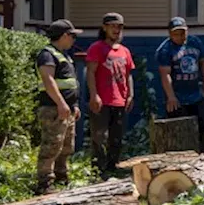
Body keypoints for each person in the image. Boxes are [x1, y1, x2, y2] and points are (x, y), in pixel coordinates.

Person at [35, 19, 83, 195]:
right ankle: (44, 183)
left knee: (66, 146)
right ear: (63, 35)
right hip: (53, 109)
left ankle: (61, 177)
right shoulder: (47, 55)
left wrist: (74, 105)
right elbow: (48, 81)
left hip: (67, 109)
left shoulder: (64, 54)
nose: (73, 40)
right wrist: (61, 104)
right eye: (72, 36)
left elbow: (69, 84)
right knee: (51, 145)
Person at [86, 12, 135, 178]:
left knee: (116, 137)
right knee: (99, 136)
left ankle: (113, 166)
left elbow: (128, 74)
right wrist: (94, 95)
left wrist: (130, 95)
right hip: (102, 100)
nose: (116, 30)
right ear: (104, 27)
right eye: (113, 26)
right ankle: (98, 170)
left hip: (120, 100)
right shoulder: (96, 48)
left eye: (119, 27)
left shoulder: (124, 51)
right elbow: (91, 72)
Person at [155, 17, 204, 152]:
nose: (180, 36)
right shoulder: (165, 50)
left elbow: (203, 63)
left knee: (201, 128)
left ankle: (202, 156)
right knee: (179, 132)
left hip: (196, 95)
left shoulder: (195, 42)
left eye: (183, 32)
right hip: (178, 97)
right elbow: (165, 74)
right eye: (176, 33)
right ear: (170, 34)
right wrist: (171, 96)